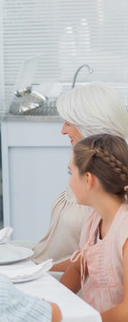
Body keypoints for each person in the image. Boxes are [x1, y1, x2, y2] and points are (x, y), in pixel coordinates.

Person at [32, 83, 128, 271]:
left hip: (56, 276)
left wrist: (37, 272)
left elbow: (86, 262)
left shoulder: (110, 189)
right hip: (45, 267)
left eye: (68, 122)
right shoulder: (83, 167)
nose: (62, 130)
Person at [60, 134, 128, 320]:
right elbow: (77, 268)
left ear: (88, 179)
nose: (69, 180)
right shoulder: (94, 220)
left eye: (71, 173)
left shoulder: (125, 231)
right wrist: (56, 305)